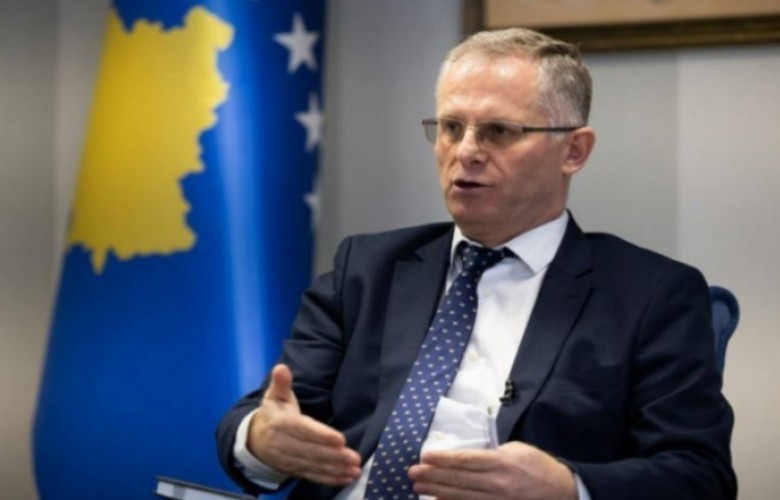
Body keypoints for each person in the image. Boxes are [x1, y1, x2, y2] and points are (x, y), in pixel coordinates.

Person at [216, 27, 736, 500]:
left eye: (498, 131)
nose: (465, 151)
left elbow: (699, 475)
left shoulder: (651, 294)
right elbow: (268, 415)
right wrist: (260, 439)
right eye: (450, 127)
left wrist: (567, 487)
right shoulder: (366, 268)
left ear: (574, 151)